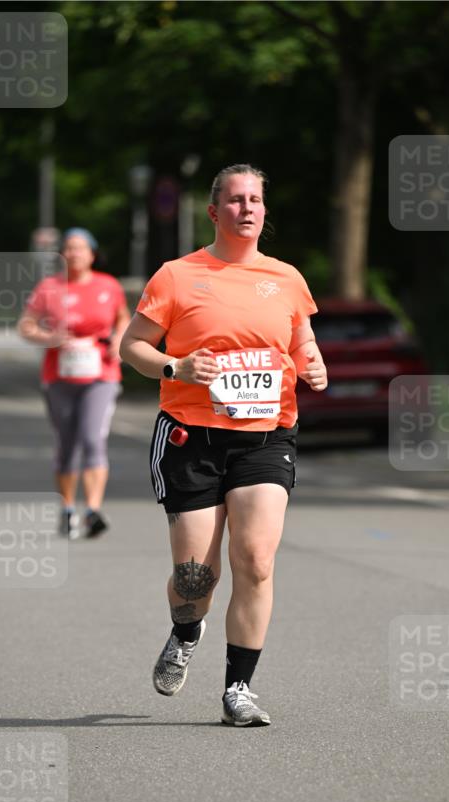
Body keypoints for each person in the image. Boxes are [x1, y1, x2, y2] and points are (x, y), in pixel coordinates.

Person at [120, 164, 327, 726]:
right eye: (235, 200)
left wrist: (314, 365)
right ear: (215, 212)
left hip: (265, 435)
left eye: (256, 199)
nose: (247, 208)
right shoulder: (177, 275)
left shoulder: (286, 278)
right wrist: (175, 365)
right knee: (196, 578)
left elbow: (302, 342)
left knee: (256, 560)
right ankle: (186, 630)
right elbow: (132, 346)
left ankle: (239, 689)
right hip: (192, 437)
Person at [19, 228, 130, 538]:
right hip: (59, 376)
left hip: (101, 375)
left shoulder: (108, 285)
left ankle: (93, 511)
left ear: (92, 254)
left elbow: (123, 317)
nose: (74, 253)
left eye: (80, 248)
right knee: (67, 446)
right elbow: (26, 326)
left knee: (93, 439)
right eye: (68, 248)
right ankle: (67, 509)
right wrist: (49, 337)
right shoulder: (49, 287)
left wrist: (119, 339)